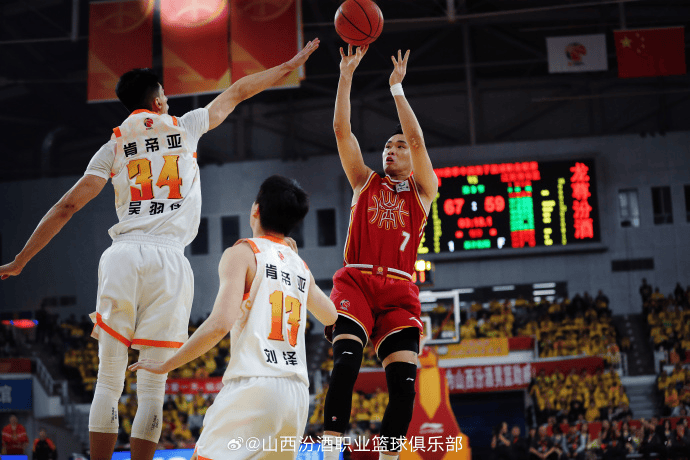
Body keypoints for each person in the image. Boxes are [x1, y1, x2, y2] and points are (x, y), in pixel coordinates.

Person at [0, 39, 320, 460]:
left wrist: (21, 260)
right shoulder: (185, 127)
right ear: (157, 101)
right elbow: (240, 91)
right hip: (170, 260)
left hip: (123, 254)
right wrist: (288, 64)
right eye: (165, 95)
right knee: (152, 386)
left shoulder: (113, 146)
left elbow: (67, 207)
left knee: (108, 379)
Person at [130, 175, 338, 460]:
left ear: (256, 209)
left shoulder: (242, 253)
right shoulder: (299, 264)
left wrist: (168, 364)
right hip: (296, 394)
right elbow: (330, 315)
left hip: (255, 386)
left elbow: (220, 324)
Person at [320, 43, 439, 460]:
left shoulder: (423, 191)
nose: (392, 149)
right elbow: (341, 130)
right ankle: (330, 453)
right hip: (356, 281)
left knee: (404, 386)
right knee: (346, 364)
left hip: (398, 292)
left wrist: (397, 90)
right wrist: (346, 75)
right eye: (388, 146)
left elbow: (419, 141)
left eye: (399, 146)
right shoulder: (363, 181)